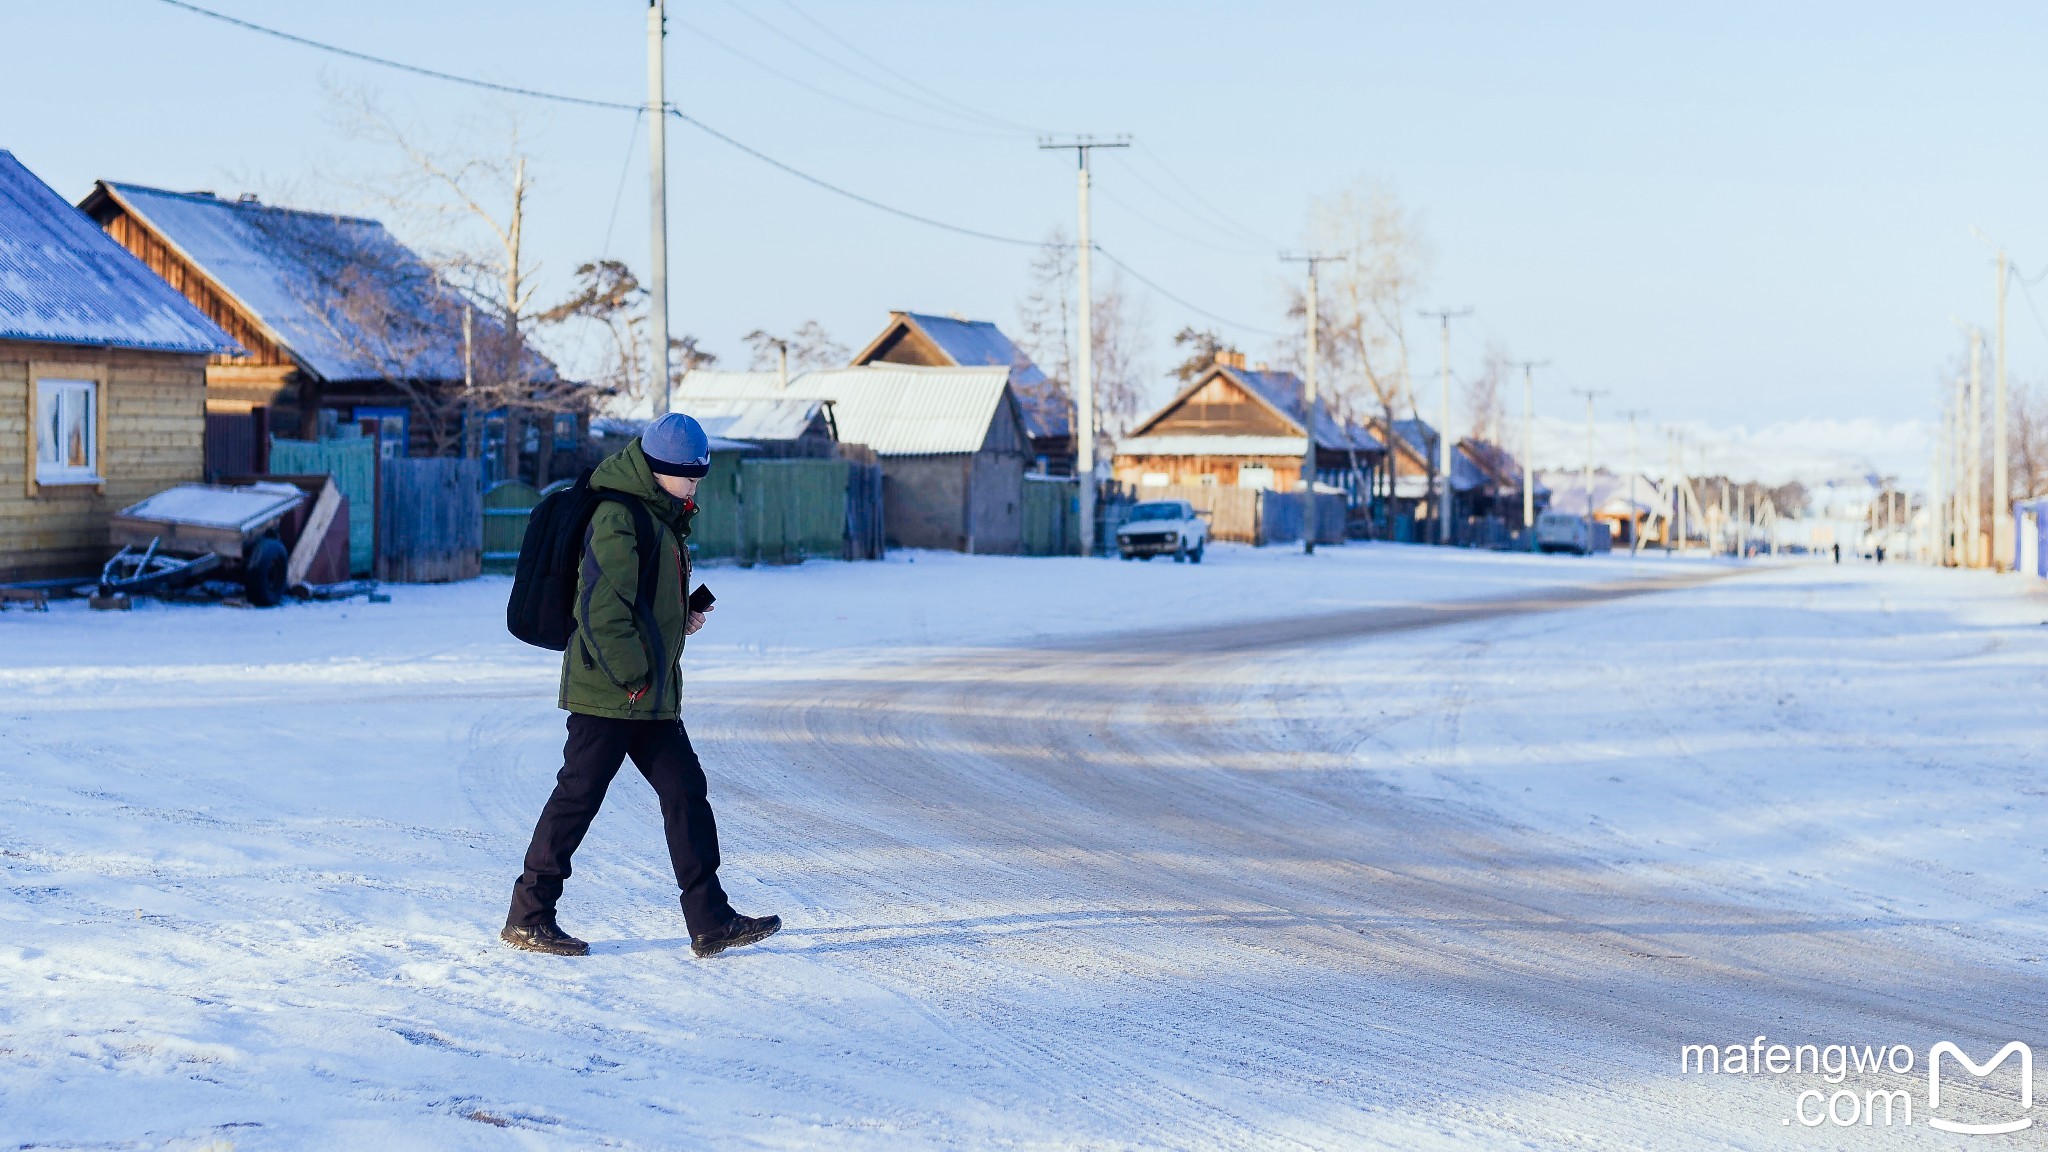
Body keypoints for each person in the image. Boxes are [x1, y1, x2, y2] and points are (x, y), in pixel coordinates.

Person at [502, 413, 780, 959]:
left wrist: (682, 619)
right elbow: (604, 613)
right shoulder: (617, 517)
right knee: (576, 799)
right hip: (612, 692)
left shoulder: (657, 517)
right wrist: (632, 679)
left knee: (685, 793)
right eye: (687, 476)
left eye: (699, 476)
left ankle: (710, 919)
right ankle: (529, 915)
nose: (694, 486)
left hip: (644, 694)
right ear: (657, 469)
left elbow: (642, 605)